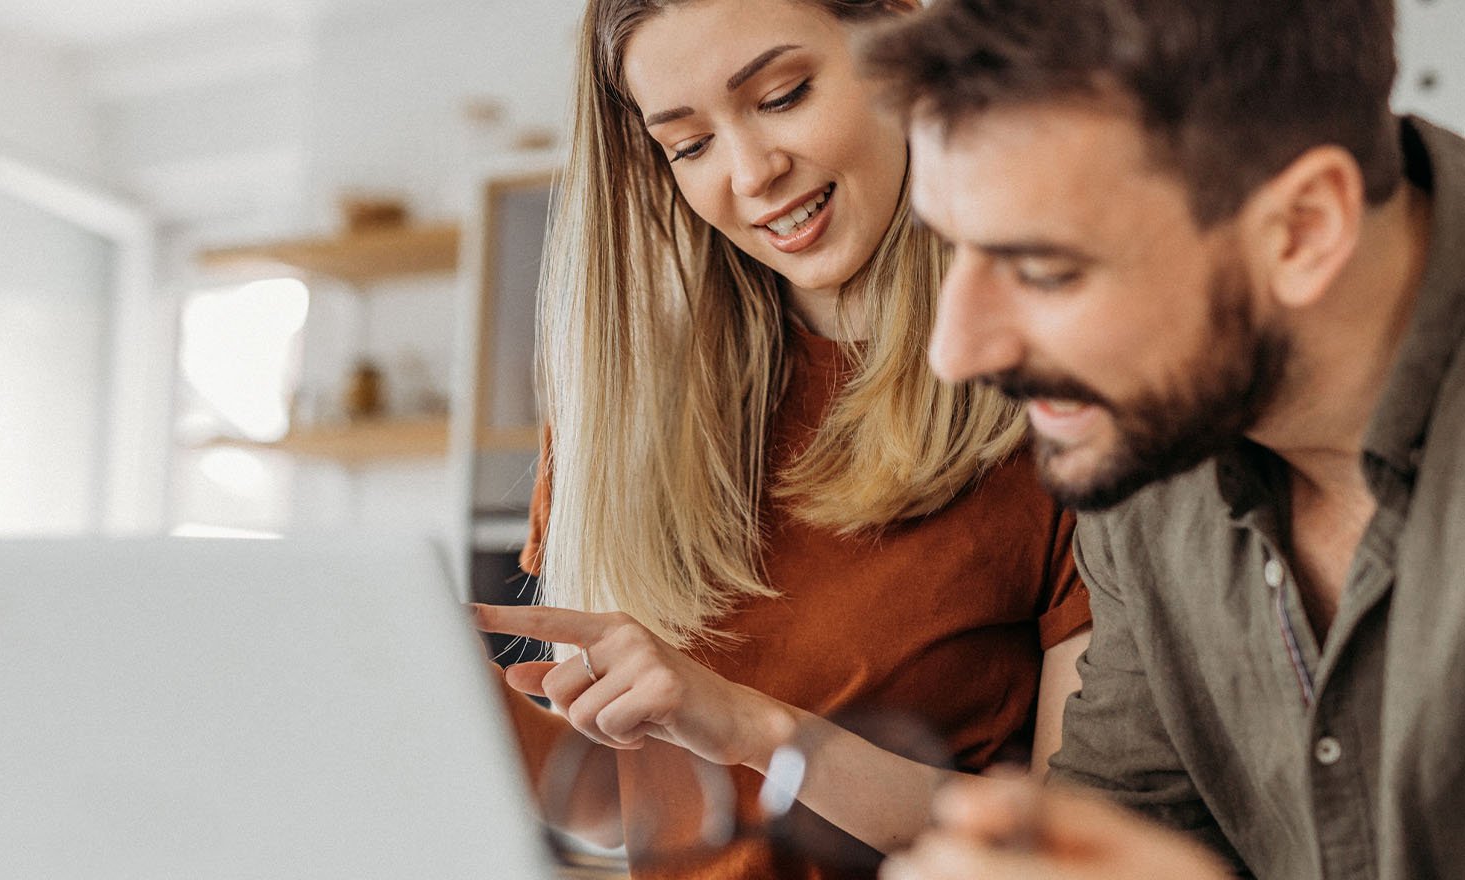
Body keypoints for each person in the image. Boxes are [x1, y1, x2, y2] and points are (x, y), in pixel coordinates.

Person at [471, 0, 1092, 877]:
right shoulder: (626, 411)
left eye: (784, 94)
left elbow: (1077, 846)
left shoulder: (1061, 392)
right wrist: (453, 712)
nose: (751, 173)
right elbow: (631, 807)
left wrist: (757, 730)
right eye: (688, 146)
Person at [862, 0, 1465, 878]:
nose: (955, 352)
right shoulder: (1151, 429)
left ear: (1302, 229)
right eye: (954, 248)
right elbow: (1124, 815)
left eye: (1044, 270)